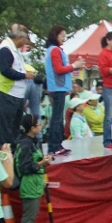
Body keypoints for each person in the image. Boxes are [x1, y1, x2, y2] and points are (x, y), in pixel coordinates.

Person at [44, 25, 85, 156]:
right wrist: (74, 65)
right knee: (56, 119)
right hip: (57, 87)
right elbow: (59, 69)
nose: (64, 38)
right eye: (62, 35)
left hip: (59, 87)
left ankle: (57, 145)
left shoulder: (53, 50)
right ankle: (54, 146)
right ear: (55, 36)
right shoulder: (55, 50)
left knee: (57, 117)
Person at [0, 24, 35, 148]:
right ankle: (6, 156)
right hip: (6, 92)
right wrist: (24, 76)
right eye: (25, 39)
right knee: (5, 130)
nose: (25, 42)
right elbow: (5, 70)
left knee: (14, 129)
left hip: (16, 94)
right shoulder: (5, 49)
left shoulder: (14, 50)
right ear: (20, 38)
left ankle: (13, 155)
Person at [14, 115, 50, 223]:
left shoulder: (31, 142)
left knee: (31, 216)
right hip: (29, 183)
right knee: (29, 216)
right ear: (32, 128)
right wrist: (42, 163)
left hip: (35, 182)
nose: (40, 126)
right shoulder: (25, 144)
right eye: (38, 124)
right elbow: (24, 167)